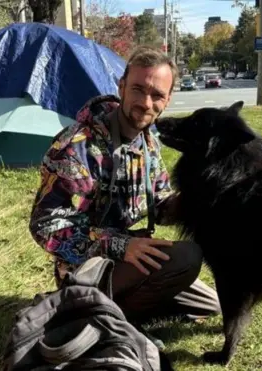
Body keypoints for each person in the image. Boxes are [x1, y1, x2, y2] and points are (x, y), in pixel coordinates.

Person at [29, 46, 221, 345]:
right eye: (138, 89)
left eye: (157, 95)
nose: (146, 103)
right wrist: (120, 245)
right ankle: (94, 316)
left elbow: (159, 201)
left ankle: (110, 308)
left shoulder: (148, 142)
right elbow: (45, 225)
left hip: (129, 254)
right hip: (85, 266)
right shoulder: (77, 145)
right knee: (187, 257)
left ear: (168, 99)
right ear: (121, 87)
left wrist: (201, 200)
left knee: (209, 305)